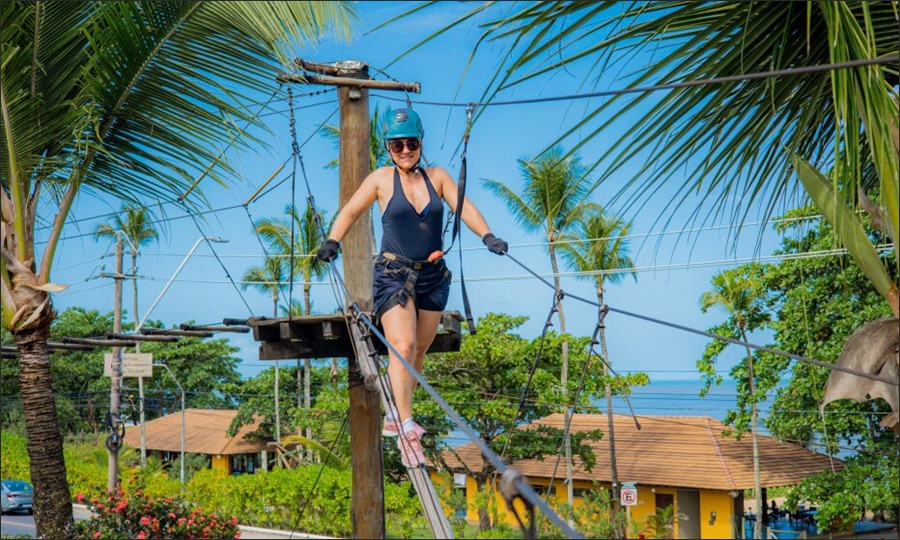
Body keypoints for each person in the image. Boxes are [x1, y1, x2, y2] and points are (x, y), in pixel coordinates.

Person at [316, 108, 507, 468]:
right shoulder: (380, 179)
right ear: (388, 147)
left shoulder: (438, 177)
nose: (405, 150)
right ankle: (405, 427)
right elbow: (350, 212)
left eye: (412, 143)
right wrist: (332, 241)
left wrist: (488, 236)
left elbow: (465, 208)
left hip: (434, 276)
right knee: (402, 346)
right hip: (393, 275)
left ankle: (396, 416)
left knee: (418, 350)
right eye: (398, 144)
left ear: (421, 143)